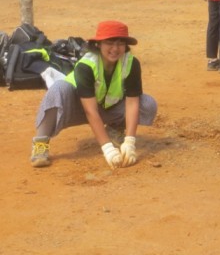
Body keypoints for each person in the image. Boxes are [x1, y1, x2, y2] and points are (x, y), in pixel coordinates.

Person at [29, 20, 157, 169]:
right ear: (98, 44)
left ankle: (115, 130)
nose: (115, 48)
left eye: (120, 43)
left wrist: (130, 141)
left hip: (108, 108)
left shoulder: (131, 63)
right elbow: (90, 111)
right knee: (58, 88)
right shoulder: (87, 65)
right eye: (110, 42)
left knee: (147, 103)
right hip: (77, 109)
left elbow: (132, 102)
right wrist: (107, 148)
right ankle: (40, 143)